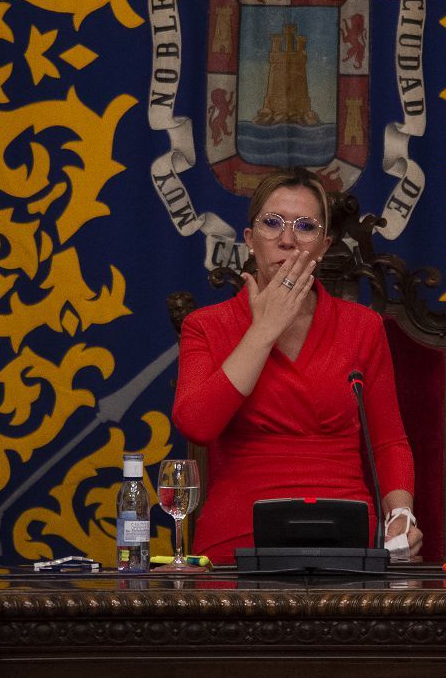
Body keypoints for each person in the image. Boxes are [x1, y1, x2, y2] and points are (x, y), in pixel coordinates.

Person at [172, 168, 423, 564]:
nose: (287, 239)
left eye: (304, 227)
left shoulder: (363, 327)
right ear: (251, 241)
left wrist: (400, 514)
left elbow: (388, 441)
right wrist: (264, 331)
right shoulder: (205, 326)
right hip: (238, 541)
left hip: (346, 534)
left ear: (323, 246)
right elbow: (196, 425)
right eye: (272, 224)